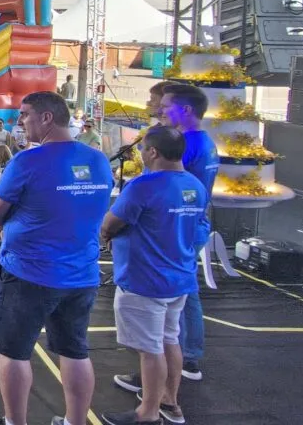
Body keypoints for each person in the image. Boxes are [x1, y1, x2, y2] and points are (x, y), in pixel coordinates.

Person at [0, 91, 114, 425]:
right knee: (75, 351)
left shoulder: (28, 161)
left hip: (30, 273)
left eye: (25, 115)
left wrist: (10, 222)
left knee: (13, 352)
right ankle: (75, 421)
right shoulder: (97, 160)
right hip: (81, 274)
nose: (21, 122)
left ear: (47, 118)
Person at [100, 126, 208, 425]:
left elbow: (111, 223)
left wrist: (106, 237)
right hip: (179, 277)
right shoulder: (195, 186)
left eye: (142, 149)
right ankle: (169, 402)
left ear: (153, 152)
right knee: (169, 341)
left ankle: (146, 413)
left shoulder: (143, 186)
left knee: (150, 351)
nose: (140, 154)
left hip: (145, 280)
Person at [115, 83, 218, 390]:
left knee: (164, 311)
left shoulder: (186, 145)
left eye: (166, 105)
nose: (160, 110)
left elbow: (157, 185)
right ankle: (184, 362)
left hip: (172, 227)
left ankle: (160, 374)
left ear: (185, 110)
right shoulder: (204, 143)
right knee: (182, 296)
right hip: (189, 223)